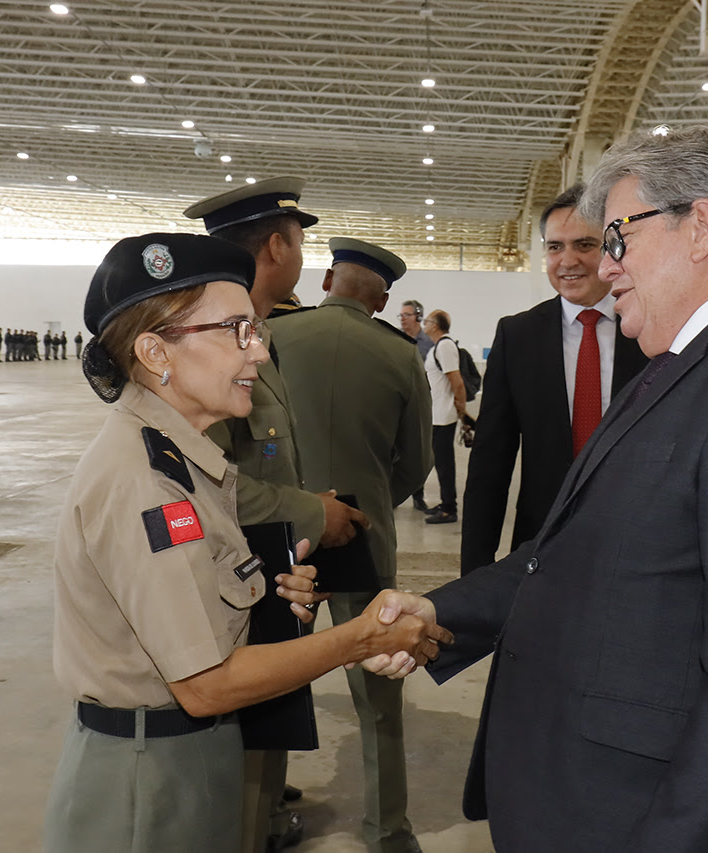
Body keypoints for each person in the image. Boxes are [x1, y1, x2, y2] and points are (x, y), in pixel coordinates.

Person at [365, 126, 708, 852]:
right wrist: (439, 611)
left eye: (616, 238)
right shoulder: (686, 362)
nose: (604, 267)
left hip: (644, 812)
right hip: (588, 789)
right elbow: (571, 552)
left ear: (700, 225)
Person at [43, 232, 449, 853]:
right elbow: (205, 683)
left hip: (188, 757)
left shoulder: (187, 461)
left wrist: (261, 593)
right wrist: (360, 636)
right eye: (236, 330)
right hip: (146, 783)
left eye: (254, 330)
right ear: (156, 352)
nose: (258, 352)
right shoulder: (147, 482)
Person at [184, 176, 370, 853]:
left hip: (270, 568)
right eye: (299, 241)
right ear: (275, 245)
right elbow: (208, 483)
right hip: (230, 578)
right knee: (240, 751)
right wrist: (313, 510)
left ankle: (259, 819)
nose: (302, 257)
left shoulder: (259, 336)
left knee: (264, 738)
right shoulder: (214, 345)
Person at [272, 238, 433, 853]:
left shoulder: (277, 338)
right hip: (365, 538)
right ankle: (388, 829)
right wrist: (363, 510)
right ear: (384, 298)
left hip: (283, 534)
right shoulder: (399, 354)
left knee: (274, 673)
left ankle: (265, 812)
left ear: (326, 282)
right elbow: (415, 463)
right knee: (379, 687)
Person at [460, 184, 648, 574]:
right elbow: (490, 464)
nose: (567, 260)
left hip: (638, 544)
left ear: (613, 247)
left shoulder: (650, 331)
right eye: (554, 247)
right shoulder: (518, 336)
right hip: (541, 544)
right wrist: (474, 573)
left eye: (584, 244)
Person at [421, 310, 469, 524]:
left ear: (437, 325)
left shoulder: (445, 346)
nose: (425, 323)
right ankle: (446, 502)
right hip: (437, 415)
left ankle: (450, 508)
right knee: (440, 462)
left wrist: (461, 411)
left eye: (428, 320)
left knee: (444, 464)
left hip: (444, 415)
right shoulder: (438, 346)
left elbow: (456, 382)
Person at [397, 299, 433, 513]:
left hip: (420, 402)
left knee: (418, 450)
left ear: (418, 317)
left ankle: (418, 496)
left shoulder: (428, 343)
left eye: (406, 315)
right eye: (400, 315)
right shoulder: (395, 338)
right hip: (398, 400)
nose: (402, 319)